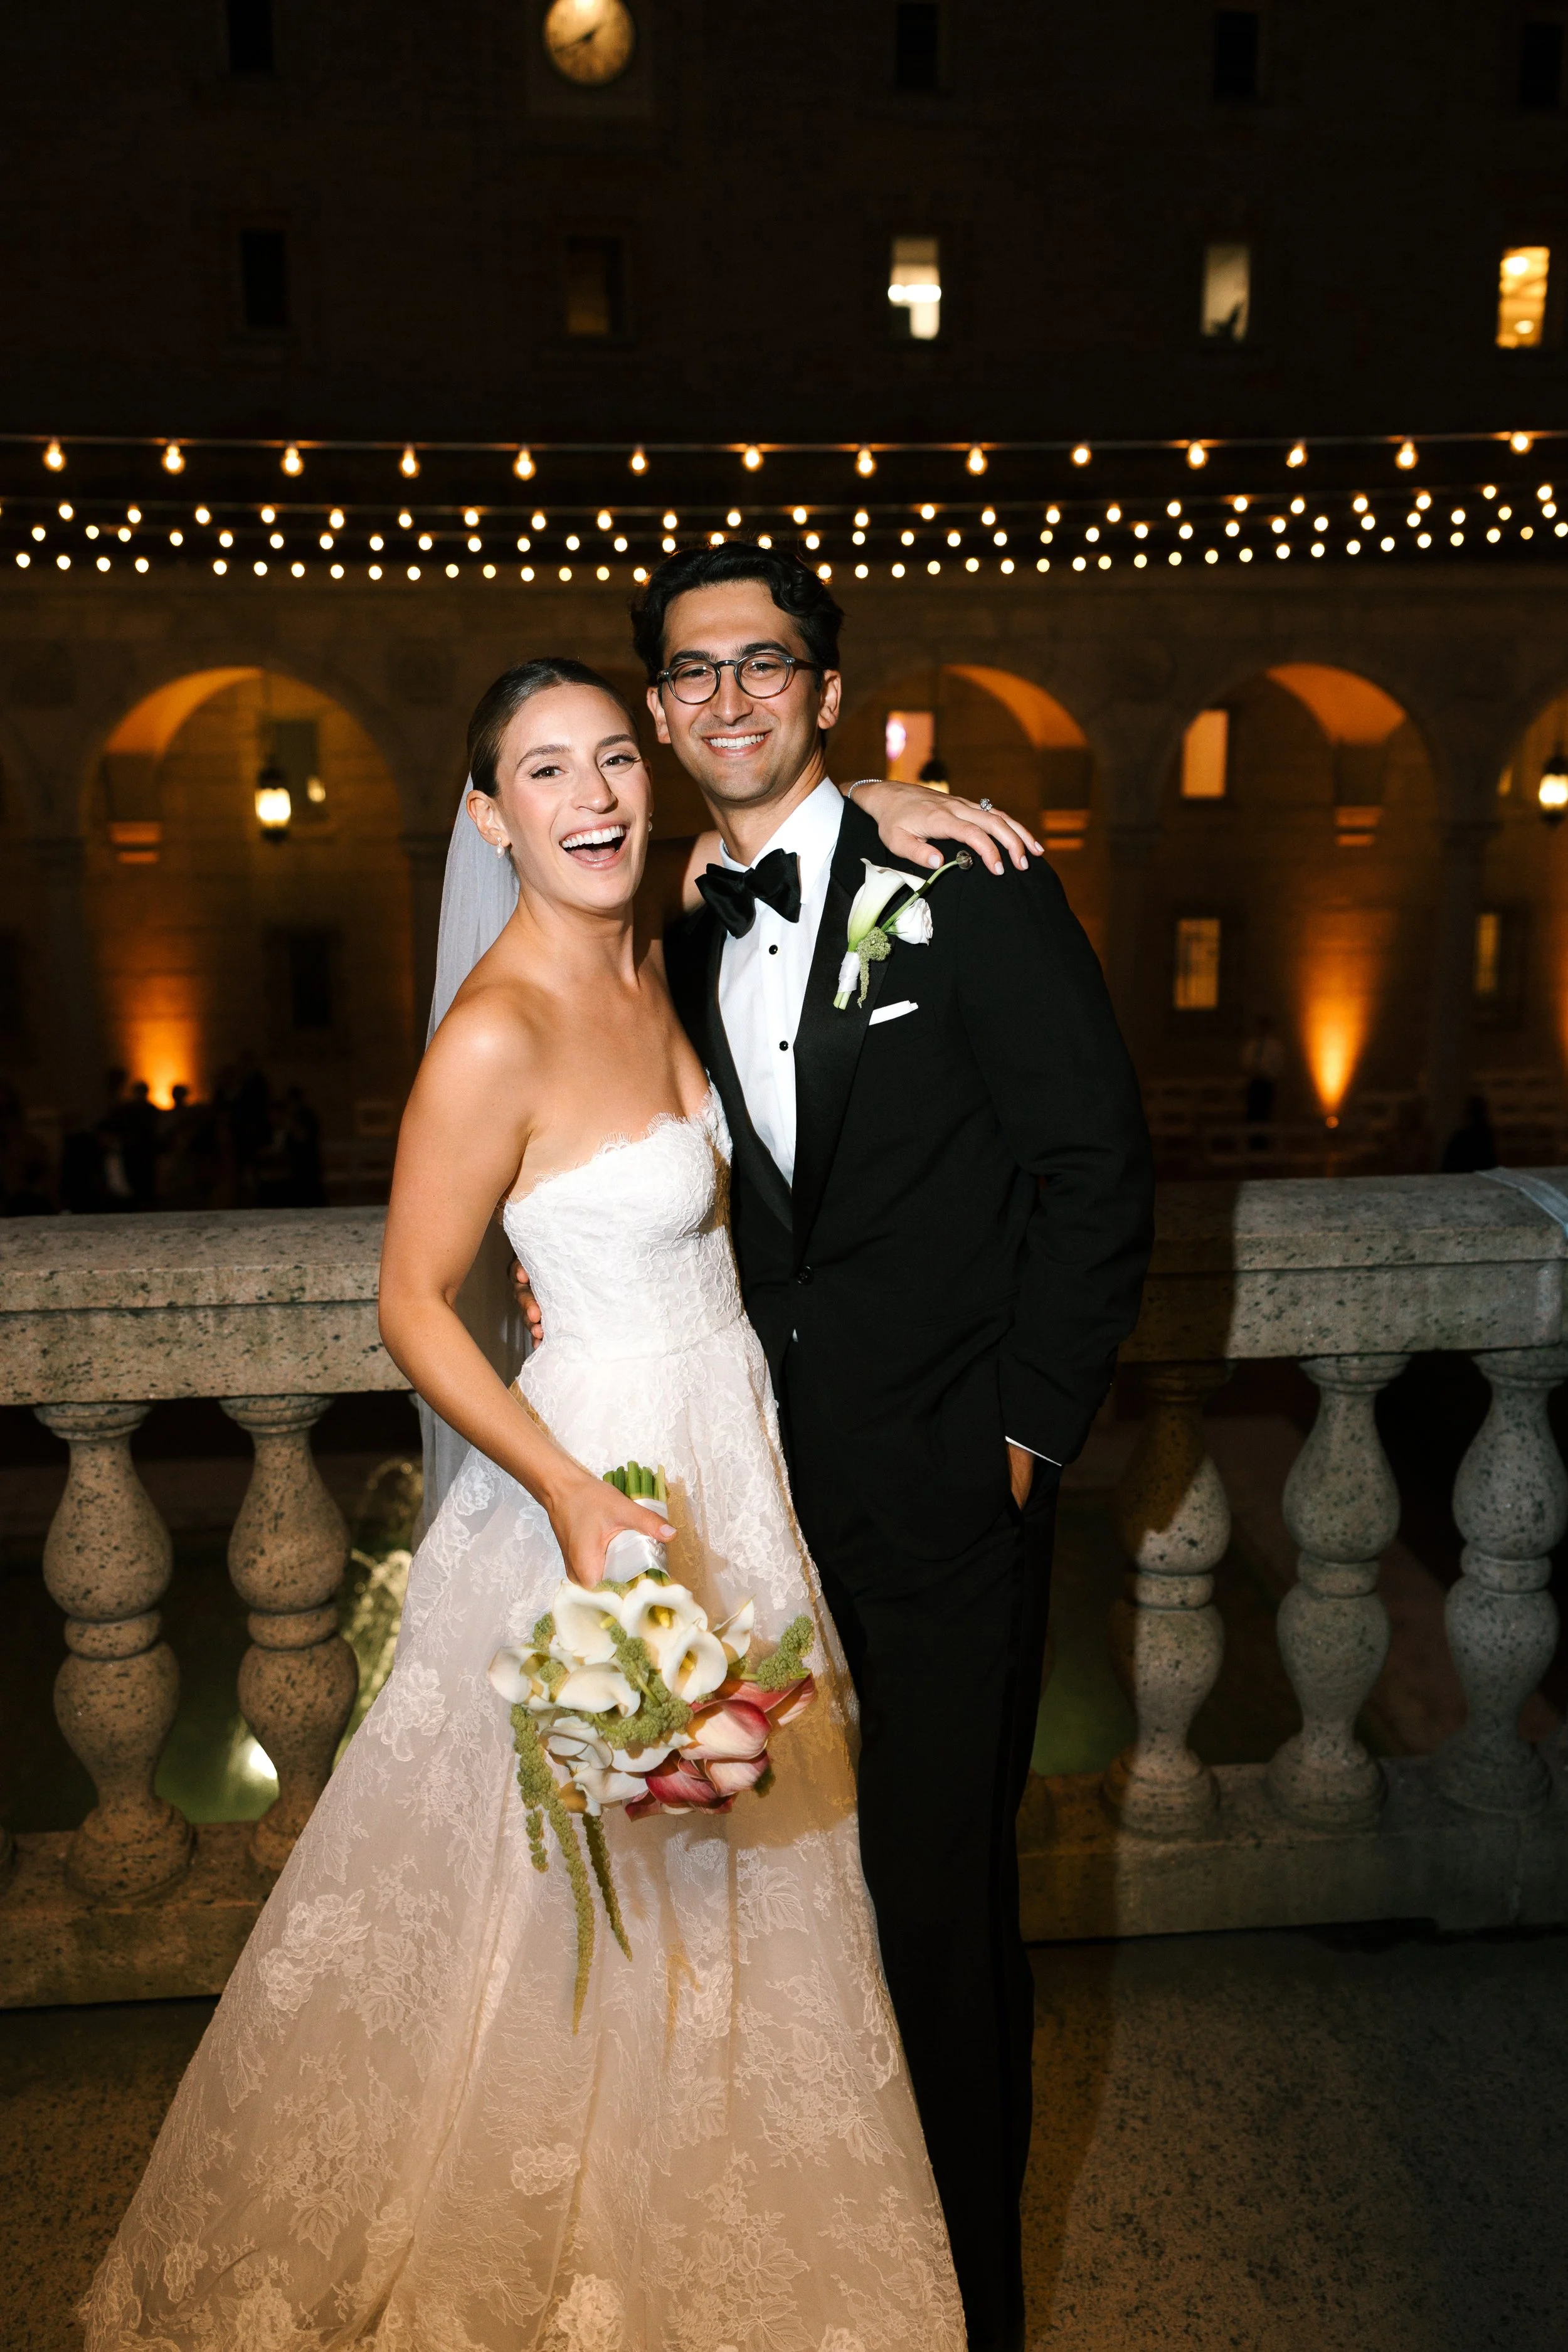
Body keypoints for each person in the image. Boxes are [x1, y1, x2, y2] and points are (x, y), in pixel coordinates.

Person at [81, 654, 1025, 2351]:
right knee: (563, 1877)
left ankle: (699, 2217)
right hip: (602, 1473)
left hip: (729, 1446)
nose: (588, 796)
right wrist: (572, 1493)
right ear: (486, 812)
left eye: (609, 760)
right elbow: (411, 1303)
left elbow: (779, 833)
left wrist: (885, 796)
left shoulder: (655, 939)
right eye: (543, 771)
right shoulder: (496, 1025)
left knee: (741, 1846)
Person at [524, 546, 1153, 2349]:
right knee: (766, 1910)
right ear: (657, 706)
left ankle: (969, 2305)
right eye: (694, 671)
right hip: (736, 1499)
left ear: (820, 685)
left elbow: (1094, 1169)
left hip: (948, 1491)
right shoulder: (652, 915)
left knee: (939, 1909)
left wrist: (1024, 1431)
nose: (727, 697)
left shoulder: (967, 885)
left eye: (765, 664)